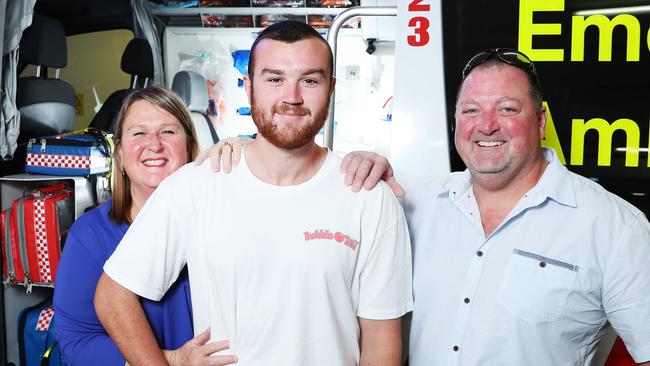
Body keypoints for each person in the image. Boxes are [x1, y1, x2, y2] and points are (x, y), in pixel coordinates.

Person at [94, 21, 413, 366]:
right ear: (249, 89)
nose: (292, 97)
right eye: (275, 79)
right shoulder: (197, 185)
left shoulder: (368, 196)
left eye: (309, 80)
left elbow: (382, 344)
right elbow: (113, 295)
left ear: (331, 88)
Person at [402, 49, 650, 365]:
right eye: (471, 110)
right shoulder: (418, 206)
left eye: (507, 108)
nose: (486, 125)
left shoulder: (616, 227)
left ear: (541, 120)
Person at [53, 86, 238, 366]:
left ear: (189, 146)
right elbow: (78, 342)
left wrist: (249, 151)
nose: (154, 145)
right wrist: (171, 360)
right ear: (120, 153)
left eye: (168, 132)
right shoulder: (89, 236)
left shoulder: (220, 218)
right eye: (139, 133)